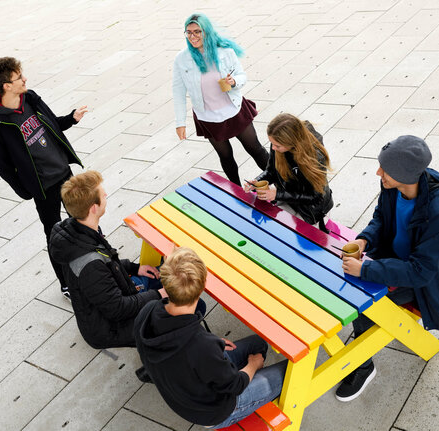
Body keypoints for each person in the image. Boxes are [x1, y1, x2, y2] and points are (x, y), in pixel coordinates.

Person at [338, 135, 439, 402]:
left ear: (405, 174)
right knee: (347, 290)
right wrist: (365, 239)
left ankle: (363, 366)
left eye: (385, 169)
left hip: (424, 285)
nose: (378, 172)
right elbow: (381, 218)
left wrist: (367, 271)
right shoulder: (393, 187)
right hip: (395, 263)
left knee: (363, 306)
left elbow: (421, 271)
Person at [134, 247, 287, 428]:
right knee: (290, 373)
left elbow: (184, 341)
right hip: (214, 412)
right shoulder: (202, 346)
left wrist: (216, 344)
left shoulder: (147, 311)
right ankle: (254, 396)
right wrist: (252, 366)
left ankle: (256, 382)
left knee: (258, 344)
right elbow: (235, 385)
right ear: (202, 288)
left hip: (182, 388)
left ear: (166, 285)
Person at [48, 171, 199, 349]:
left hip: (116, 294)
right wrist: (160, 294)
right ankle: (162, 357)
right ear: (93, 208)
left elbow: (107, 262)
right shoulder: (90, 266)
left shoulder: (78, 229)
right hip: (110, 328)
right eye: (101, 194)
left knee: (165, 275)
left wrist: (135, 268)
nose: (105, 194)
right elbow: (118, 308)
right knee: (193, 307)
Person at [0, 56, 88, 299]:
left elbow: (52, 124)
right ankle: (66, 283)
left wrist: (71, 118)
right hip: (43, 187)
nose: (25, 79)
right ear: (6, 86)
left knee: (83, 218)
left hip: (64, 171)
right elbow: (2, 165)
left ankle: (98, 262)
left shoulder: (30, 98)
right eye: (19, 76)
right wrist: (26, 189)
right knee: (55, 234)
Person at [173, 13, 269, 185]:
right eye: (188, 32)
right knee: (225, 156)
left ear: (206, 32)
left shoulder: (225, 51)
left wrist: (234, 82)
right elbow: (178, 91)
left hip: (234, 109)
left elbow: (242, 76)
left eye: (197, 32)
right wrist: (180, 122)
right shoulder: (182, 59)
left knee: (255, 149)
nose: (192, 36)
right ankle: (237, 191)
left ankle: (283, 182)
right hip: (208, 116)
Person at [243, 113, 333, 231]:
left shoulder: (315, 156)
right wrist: (257, 181)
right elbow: (271, 171)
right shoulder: (278, 144)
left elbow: (316, 197)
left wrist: (277, 194)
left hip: (311, 209)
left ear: (292, 142)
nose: (273, 148)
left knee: (297, 239)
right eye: (272, 143)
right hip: (288, 200)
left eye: (277, 146)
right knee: (270, 228)